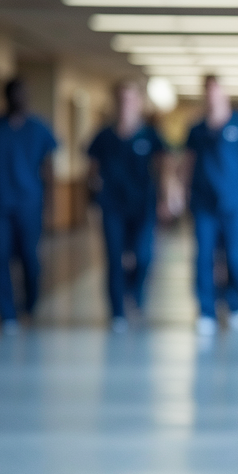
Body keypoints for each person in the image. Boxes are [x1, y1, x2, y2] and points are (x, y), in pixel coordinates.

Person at [180, 76, 238, 336]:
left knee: (234, 256)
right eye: (208, 93)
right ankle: (206, 310)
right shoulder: (196, 129)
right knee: (204, 257)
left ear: (225, 94)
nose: (212, 98)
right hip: (203, 204)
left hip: (234, 205)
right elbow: (188, 164)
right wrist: (181, 192)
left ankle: (235, 306)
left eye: (217, 92)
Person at [0, 78, 58, 334]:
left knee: (30, 260)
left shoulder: (39, 129)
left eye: (23, 94)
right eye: (14, 95)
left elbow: (48, 169)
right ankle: (6, 313)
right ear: (7, 97)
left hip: (29, 205)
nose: (19, 99)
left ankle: (29, 305)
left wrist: (50, 205)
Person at [86, 81, 167, 333]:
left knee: (143, 256)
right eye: (122, 99)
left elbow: (163, 167)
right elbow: (92, 171)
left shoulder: (151, 135)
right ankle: (117, 311)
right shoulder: (103, 136)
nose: (126, 105)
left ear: (140, 103)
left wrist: (166, 198)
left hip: (143, 205)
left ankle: (136, 294)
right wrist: (90, 199)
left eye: (131, 99)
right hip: (112, 206)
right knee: (114, 257)